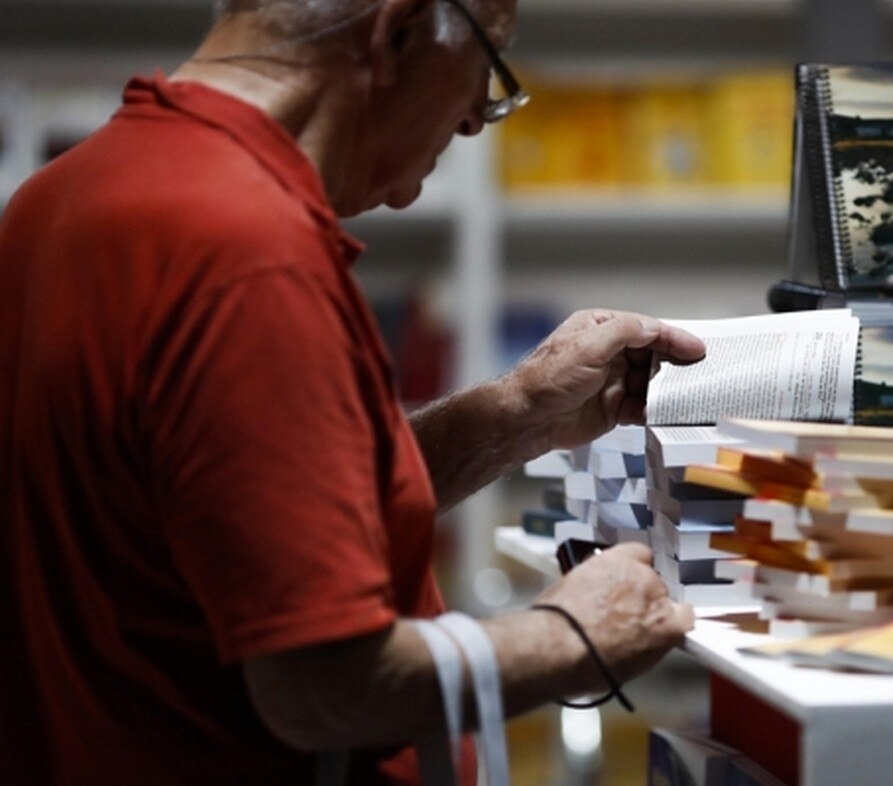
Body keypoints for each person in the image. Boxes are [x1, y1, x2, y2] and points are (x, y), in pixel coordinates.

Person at [0, 0, 706, 783]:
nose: (478, 118)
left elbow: (250, 519)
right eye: (489, 66)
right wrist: (572, 637)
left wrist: (513, 415)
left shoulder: (63, 195)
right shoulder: (247, 256)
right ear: (398, 31)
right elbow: (323, 689)